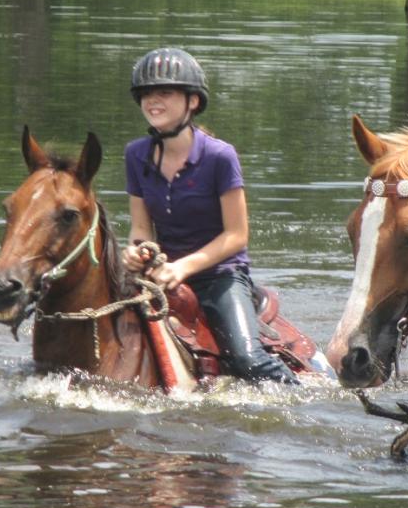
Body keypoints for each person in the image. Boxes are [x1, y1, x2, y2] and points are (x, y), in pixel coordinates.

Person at [121, 47, 300, 385]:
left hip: (220, 276)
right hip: (161, 274)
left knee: (248, 359)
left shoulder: (220, 156)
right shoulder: (135, 154)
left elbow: (236, 235)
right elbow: (141, 227)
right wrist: (136, 251)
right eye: (146, 94)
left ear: (193, 101)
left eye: (165, 92)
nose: (152, 101)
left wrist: (182, 267)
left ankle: (303, 397)